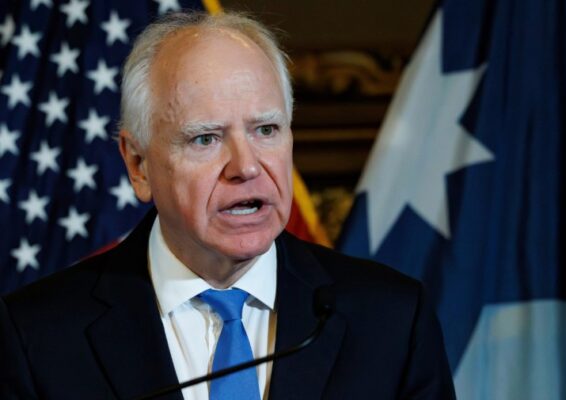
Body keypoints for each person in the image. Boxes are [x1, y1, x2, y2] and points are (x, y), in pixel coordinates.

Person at [0, 11, 456, 400]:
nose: (246, 166)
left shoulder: (392, 320)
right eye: (206, 138)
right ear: (138, 165)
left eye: (266, 130)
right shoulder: (36, 338)